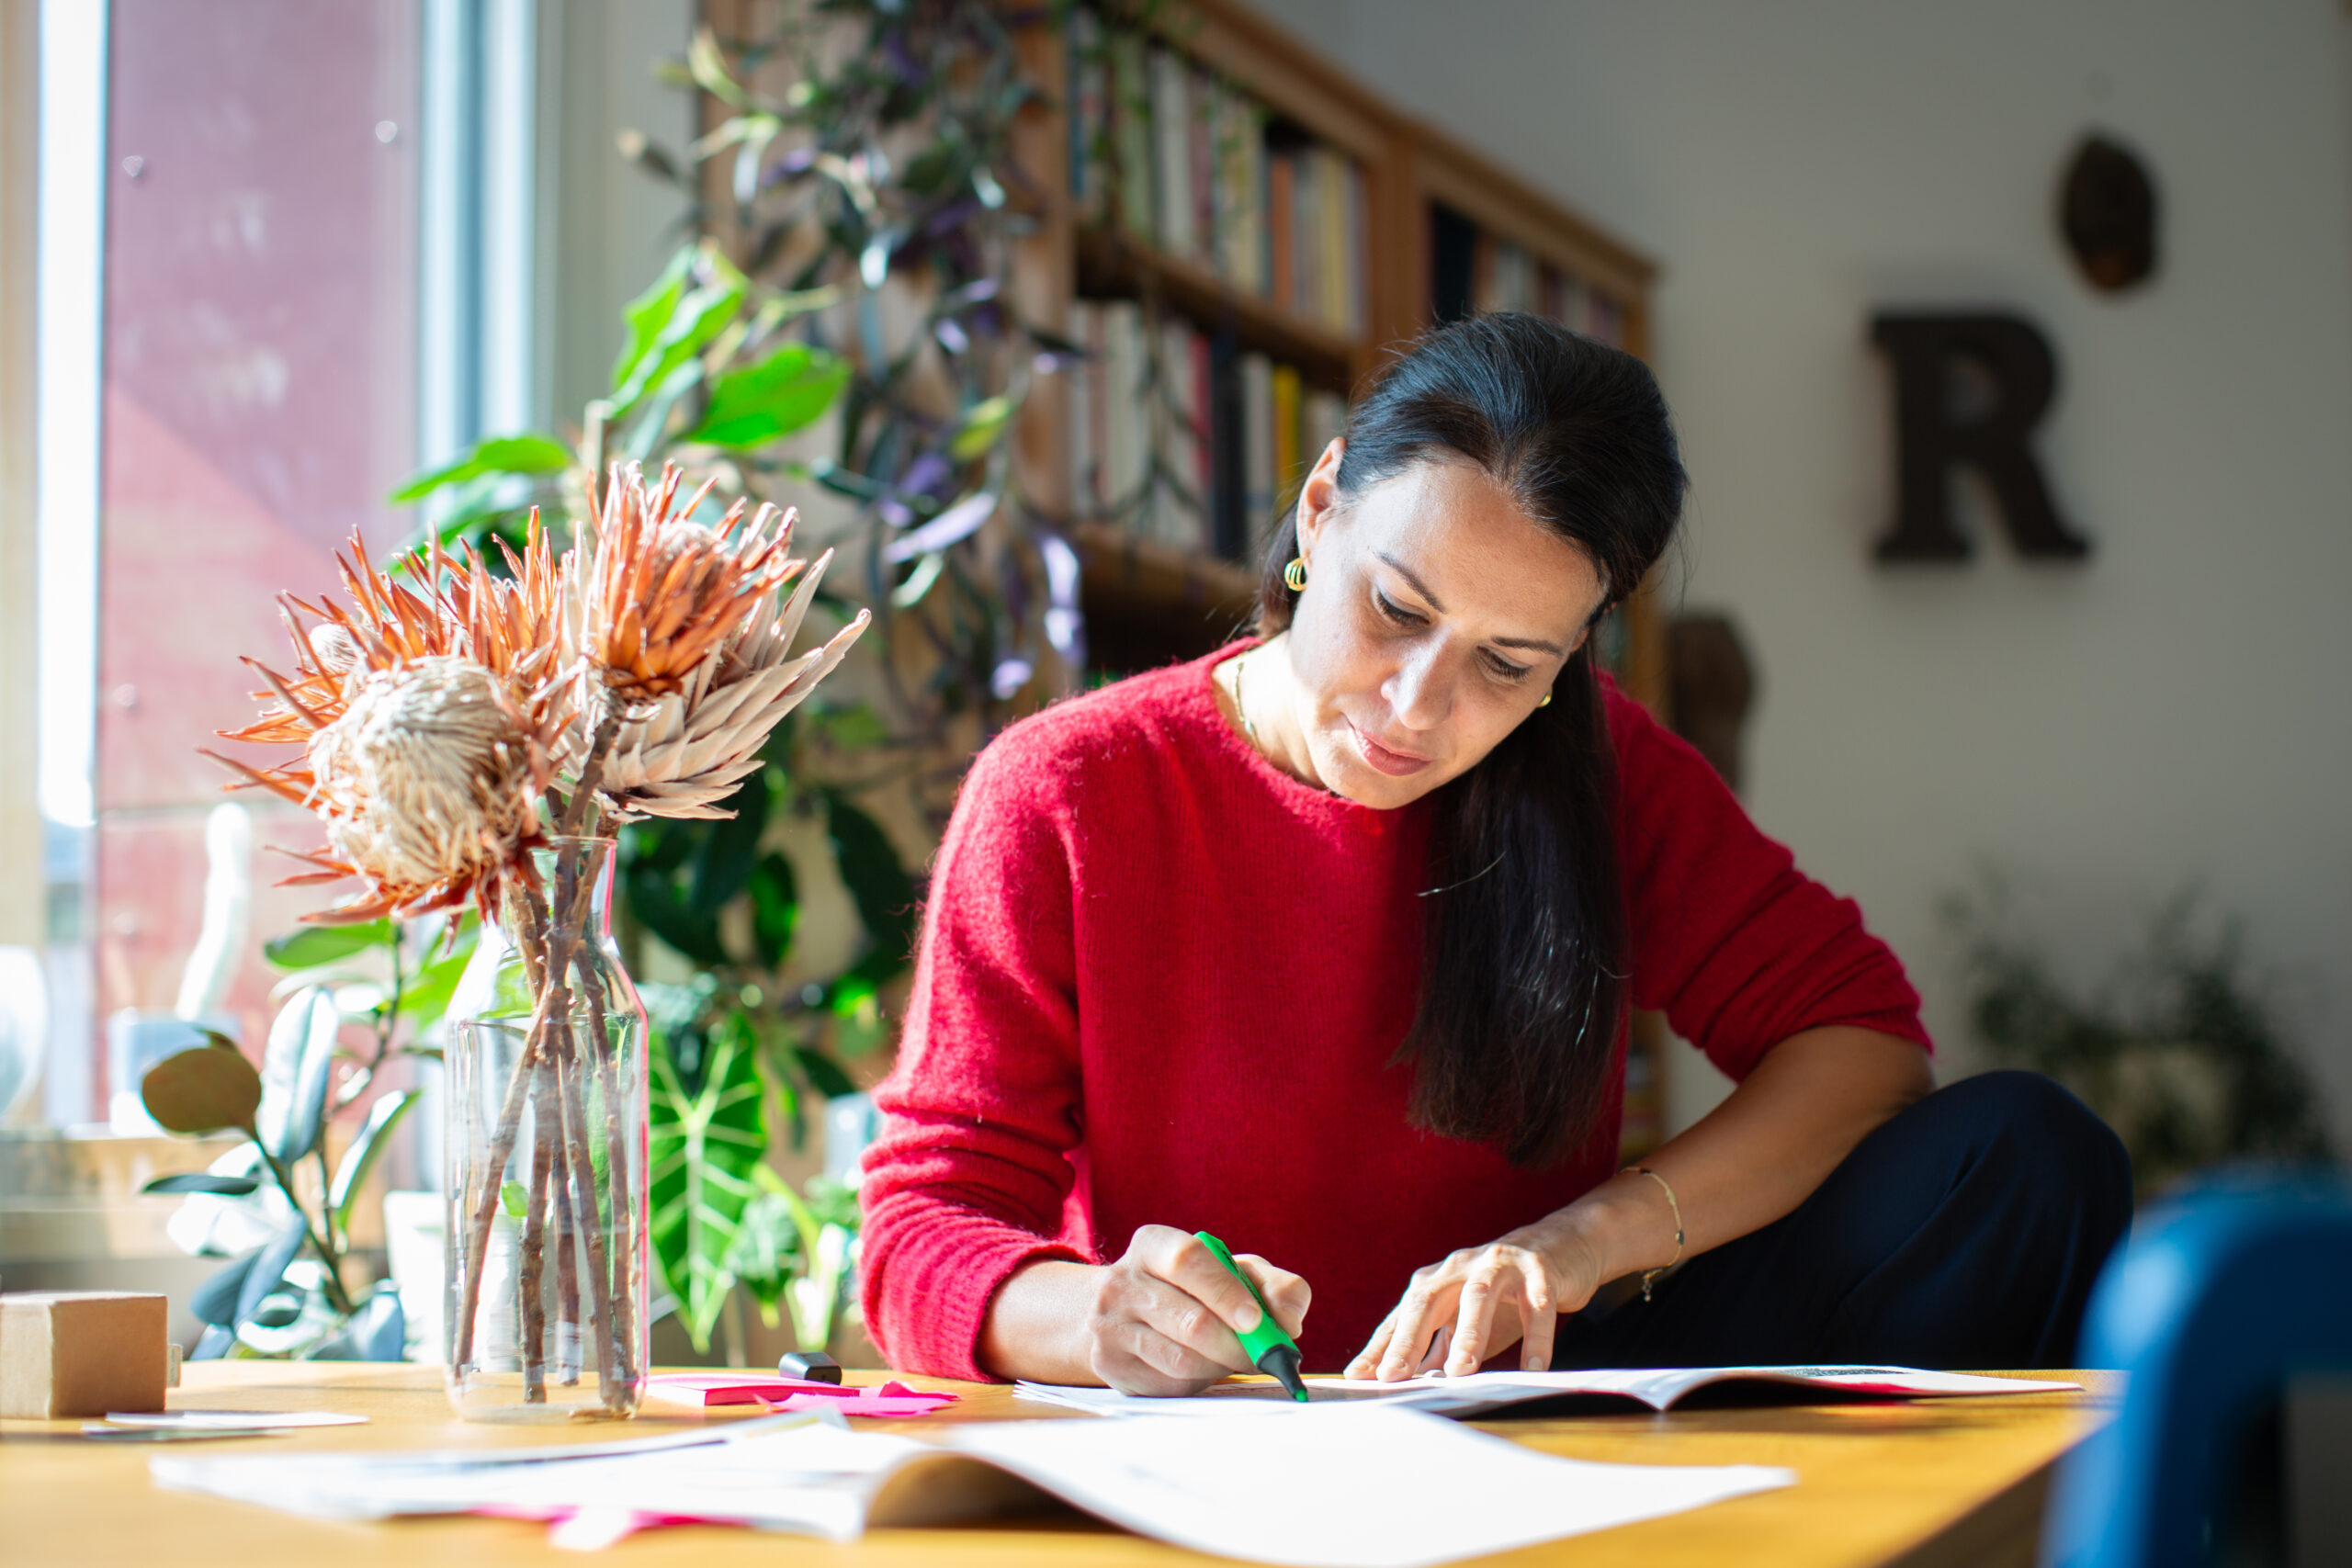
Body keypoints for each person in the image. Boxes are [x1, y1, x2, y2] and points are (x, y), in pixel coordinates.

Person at [858, 313, 2131, 1394]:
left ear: (1570, 657)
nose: (1417, 704)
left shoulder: (1605, 769)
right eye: (1396, 609)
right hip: (1217, 1440)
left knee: (2026, 1158)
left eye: (1507, 663)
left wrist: (1586, 1241)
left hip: (1529, 1411)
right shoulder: (1068, 790)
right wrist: (1096, 1321)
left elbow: (1860, 1041)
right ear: (1320, 510)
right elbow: (921, 1227)